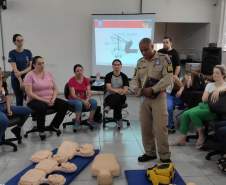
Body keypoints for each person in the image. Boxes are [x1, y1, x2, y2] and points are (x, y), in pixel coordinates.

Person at [133, 38, 173, 163]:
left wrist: (153, 89)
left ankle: (165, 156)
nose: (143, 52)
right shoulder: (140, 62)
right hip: (145, 99)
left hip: (159, 97)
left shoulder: (164, 59)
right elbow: (135, 78)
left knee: (160, 128)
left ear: (152, 46)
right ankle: (150, 153)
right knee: (145, 127)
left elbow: (168, 78)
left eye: (146, 49)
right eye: (141, 50)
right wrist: (136, 89)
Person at [174, 65, 226, 148]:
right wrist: (213, 91)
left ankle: (201, 135)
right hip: (204, 106)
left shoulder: (224, 85)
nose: (215, 75)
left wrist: (219, 89)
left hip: (215, 110)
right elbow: (204, 99)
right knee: (185, 114)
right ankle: (183, 138)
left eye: (217, 73)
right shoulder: (210, 85)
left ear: (223, 75)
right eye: (213, 73)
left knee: (193, 114)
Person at [24, 56, 68, 140]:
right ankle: (41, 130)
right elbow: (29, 93)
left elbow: (55, 89)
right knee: (42, 106)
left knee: (64, 104)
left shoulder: (48, 74)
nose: (42, 65)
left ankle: (54, 126)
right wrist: (45, 100)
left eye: (43, 63)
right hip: (34, 100)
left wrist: (53, 99)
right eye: (39, 64)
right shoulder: (29, 75)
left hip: (49, 99)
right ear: (34, 65)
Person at [0, 66, 31, 143]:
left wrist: (9, 109)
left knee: (27, 110)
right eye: (0, 73)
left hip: (4, 105)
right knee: (4, 121)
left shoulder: (3, 82)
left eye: (1, 73)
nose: (2, 75)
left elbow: (7, 97)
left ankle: (17, 128)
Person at [158, 36, 181, 133]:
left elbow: (178, 66)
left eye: (166, 42)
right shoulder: (160, 51)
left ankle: (170, 125)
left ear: (171, 43)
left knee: (168, 106)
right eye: (163, 42)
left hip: (170, 82)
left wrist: (175, 76)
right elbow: (157, 64)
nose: (165, 44)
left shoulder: (174, 53)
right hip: (161, 80)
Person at [68, 64, 97, 130]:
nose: (79, 72)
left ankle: (90, 120)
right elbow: (73, 95)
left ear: (83, 70)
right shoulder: (71, 80)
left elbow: (89, 92)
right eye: (77, 71)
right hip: (73, 99)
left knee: (94, 102)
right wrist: (84, 101)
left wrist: (87, 100)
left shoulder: (86, 80)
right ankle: (77, 121)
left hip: (84, 99)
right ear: (74, 72)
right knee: (79, 103)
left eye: (81, 70)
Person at [8, 34, 32, 106]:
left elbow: (31, 67)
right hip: (16, 78)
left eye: (22, 40)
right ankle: (20, 115)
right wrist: (21, 81)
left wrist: (22, 73)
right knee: (19, 97)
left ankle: (32, 113)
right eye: (18, 41)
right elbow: (15, 70)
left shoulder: (28, 52)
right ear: (14, 42)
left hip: (27, 77)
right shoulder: (12, 53)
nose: (20, 42)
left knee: (29, 96)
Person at [104, 59, 129, 129]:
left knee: (120, 97)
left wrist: (118, 91)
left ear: (121, 66)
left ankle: (109, 106)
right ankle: (119, 120)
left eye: (118, 65)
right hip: (110, 96)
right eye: (115, 65)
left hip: (121, 96)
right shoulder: (108, 75)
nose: (116, 66)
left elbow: (125, 90)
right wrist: (119, 90)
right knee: (118, 100)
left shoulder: (124, 76)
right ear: (112, 66)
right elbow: (109, 88)